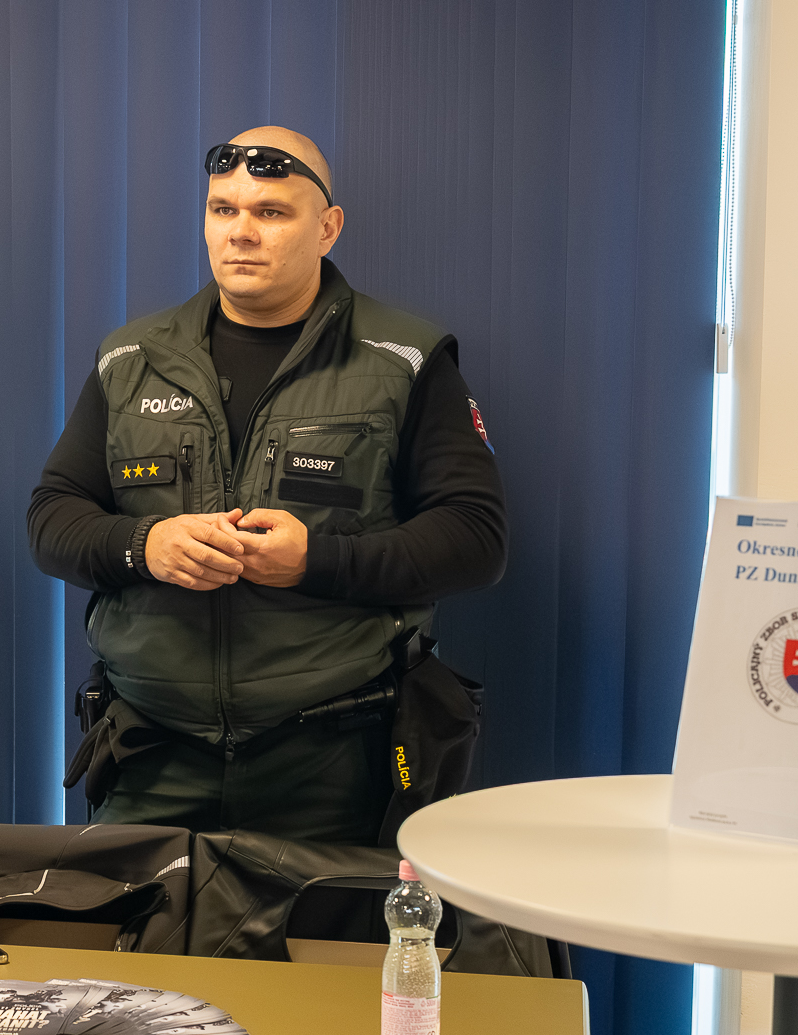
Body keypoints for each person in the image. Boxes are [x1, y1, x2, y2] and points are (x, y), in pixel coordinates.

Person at [28, 126, 506, 842]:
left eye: (271, 212)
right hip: (151, 763)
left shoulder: (403, 359)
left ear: (327, 228)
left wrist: (316, 560)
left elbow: (475, 537)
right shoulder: (131, 359)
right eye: (223, 209)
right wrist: (145, 545)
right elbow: (52, 516)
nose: (241, 232)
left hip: (332, 768)